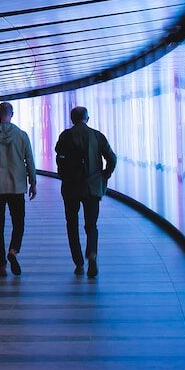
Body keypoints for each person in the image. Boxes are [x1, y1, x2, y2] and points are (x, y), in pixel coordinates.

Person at [55, 106, 116, 277]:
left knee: (72, 225)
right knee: (91, 225)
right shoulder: (97, 135)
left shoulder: (65, 135)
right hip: (92, 187)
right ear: (87, 118)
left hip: (70, 187)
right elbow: (112, 158)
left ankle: (79, 263)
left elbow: (59, 156)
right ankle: (92, 254)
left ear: (72, 119)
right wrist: (105, 175)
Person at [0, 102, 36, 276]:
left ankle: (2, 266)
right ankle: (13, 251)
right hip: (17, 187)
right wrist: (33, 182)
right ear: (12, 114)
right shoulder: (22, 136)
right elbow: (30, 161)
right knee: (19, 222)